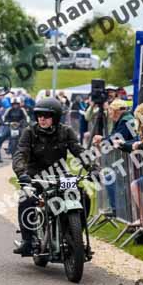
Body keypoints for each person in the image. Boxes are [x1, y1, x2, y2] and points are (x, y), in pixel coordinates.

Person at [11, 97, 97, 256]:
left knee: (83, 196)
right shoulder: (29, 132)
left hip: (60, 175)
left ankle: (75, 233)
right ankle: (27, 241)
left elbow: (79, 151)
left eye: (46, 116)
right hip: (36, 176)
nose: (42, 119)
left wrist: (94, 168)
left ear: (56, 117)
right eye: (39, 115)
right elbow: (20, 154)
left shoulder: (66, 131)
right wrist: (22, 174)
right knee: (26, 198)